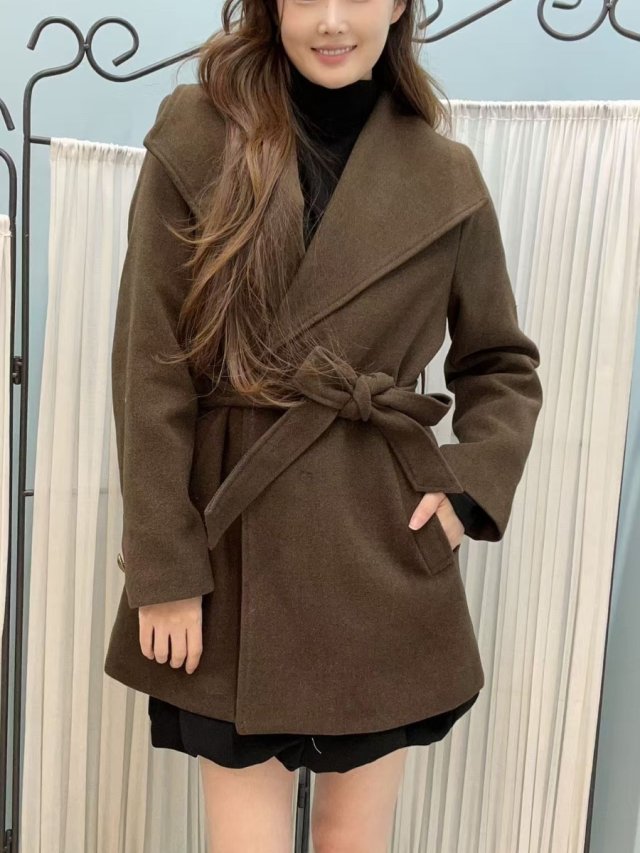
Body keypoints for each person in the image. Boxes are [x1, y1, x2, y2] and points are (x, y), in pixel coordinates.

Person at [104, 0, 544, 846]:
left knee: (356, 836)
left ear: (399, 4)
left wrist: (466, 490)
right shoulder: (197, 135)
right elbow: (149, 367)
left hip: (378, 542)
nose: (333, 21)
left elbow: (501, 364)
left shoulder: (443, 174)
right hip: (230, 541)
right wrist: (164, 568)